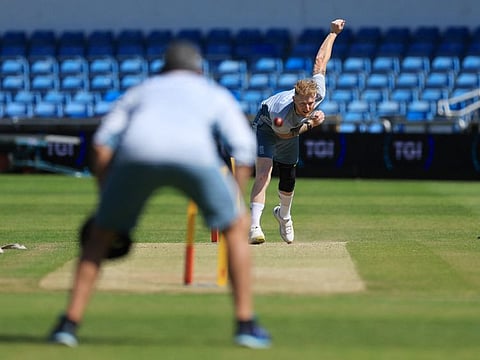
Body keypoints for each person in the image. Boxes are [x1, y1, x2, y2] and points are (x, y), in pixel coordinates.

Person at [48, 40, 271, 349]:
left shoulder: (143, 90)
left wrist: (106, 199)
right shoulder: (212, 92)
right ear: (199, 70)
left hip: (137, 153)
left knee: (100, 234)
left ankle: (68, 324)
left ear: (163, 69)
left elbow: (101, 145)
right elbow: (244, 150)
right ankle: (245, 324)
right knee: (235, 228)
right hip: (196, 155)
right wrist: (235, 197)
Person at [249, 19, 346, 245]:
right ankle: (254, 227)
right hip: (268, 126)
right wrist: (311, 124)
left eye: (311, 104)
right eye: (303, 104)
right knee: (264, 172)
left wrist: (333, 33)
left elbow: (320, 63)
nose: (308, 108)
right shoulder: (280, 111)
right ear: (295, 99)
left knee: (289, 177)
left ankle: (284, 216)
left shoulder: (316, 95)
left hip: (290, 128)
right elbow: (285, 134)